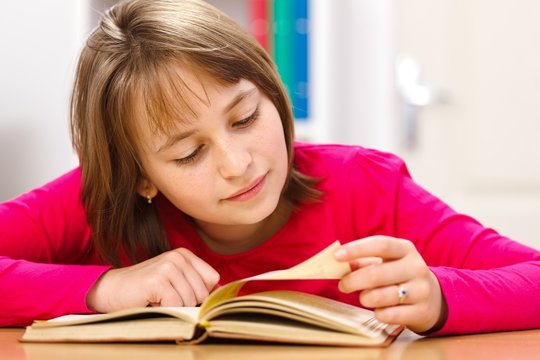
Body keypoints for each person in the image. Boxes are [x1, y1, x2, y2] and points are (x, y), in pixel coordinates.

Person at [1, 0, 539, 335]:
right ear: (141, 176)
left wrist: (441, 298)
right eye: (188, 155)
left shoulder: (367, 186)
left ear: (273, 94)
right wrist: (104, 289)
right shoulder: (95, 204)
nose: (238, 165)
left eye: (245, 118)